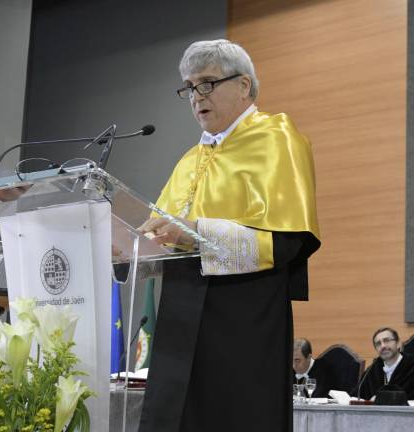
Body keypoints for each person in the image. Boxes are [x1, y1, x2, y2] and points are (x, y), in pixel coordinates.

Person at [137, 39, 320, 432]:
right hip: (179, 320)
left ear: (244, 86)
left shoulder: (278, 138)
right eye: (189, 87)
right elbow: (161, 235)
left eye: (207, 83)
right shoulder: (190, 159)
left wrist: (194, 234)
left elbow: (287, 240)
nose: (195, 97)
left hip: (242, 319)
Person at [353, 327, 414, 403]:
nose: (383, 346)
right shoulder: (373, 369)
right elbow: (356, 396)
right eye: (378, 344)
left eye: (387, 341)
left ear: (398, 343)